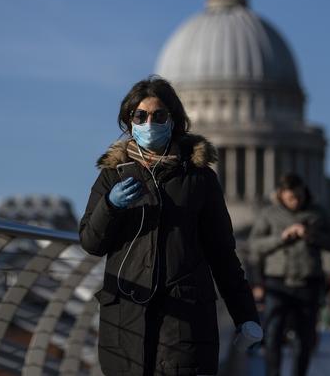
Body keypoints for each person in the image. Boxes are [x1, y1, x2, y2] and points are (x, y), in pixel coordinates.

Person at [79, 76, 260, 376]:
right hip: (126, 320)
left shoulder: (199, 179)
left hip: (184, 322)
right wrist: (109, 207)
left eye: (159, 115)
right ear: (129, 121)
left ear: (174, 120)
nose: (149, 123)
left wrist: (246, 315)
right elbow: (91, 243)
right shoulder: (113, 176)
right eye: (141, 116)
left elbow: (222, 253)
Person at [249, 173, 330, 376]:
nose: (296, 201)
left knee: (305, 339)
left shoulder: (317, 212)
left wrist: (311, 236)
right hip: (277, 283)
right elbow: (254, 246)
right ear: (282, 195)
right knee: (273, 335)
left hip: (308, 283)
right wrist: (281, 238)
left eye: (299, 197)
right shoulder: (269, 214)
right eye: (291, 198)